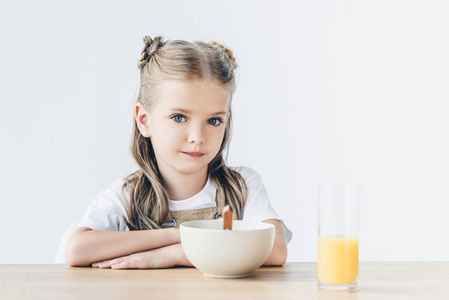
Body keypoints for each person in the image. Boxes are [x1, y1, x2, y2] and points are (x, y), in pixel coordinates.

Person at [66, 36, 293, 269]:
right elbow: (77, 250)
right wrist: (179, 235)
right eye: (179, 118)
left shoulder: (242, 186)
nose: (197, 137)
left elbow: (275, 249)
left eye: (214, 120)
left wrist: (175, 254)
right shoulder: (127, 196)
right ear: (144, 121)